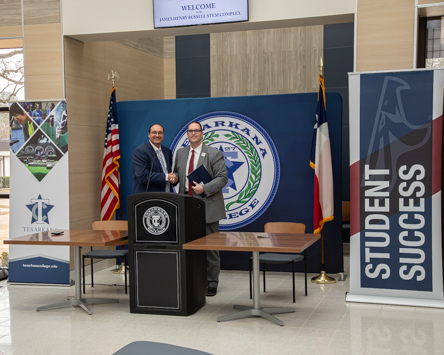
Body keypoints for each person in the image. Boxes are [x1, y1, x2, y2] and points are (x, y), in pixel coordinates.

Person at [171, 121, 228, 297]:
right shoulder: (180, 153)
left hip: (208, 206)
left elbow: (223, 178)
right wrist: (174, 179)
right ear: (187, 134)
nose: (193, 134)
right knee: (189, 246)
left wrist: (205, 188)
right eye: (190, 131)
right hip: (186, 207)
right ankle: (194, 280)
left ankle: (212, 283)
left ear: (202, 133)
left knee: (210, 247)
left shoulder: (214, 153)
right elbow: (178, 176)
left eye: (196, 131)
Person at [132, 123, 176, 193]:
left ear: (163, 135)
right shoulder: (141, 151)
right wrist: (167, 177)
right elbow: (143, 176)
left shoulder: (167, 152)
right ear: (149, 134)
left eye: (160, 133)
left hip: (167, 197)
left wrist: (174, 179)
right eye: (154, 132)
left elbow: (169, 172)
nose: (157, 135)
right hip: (149, 198)